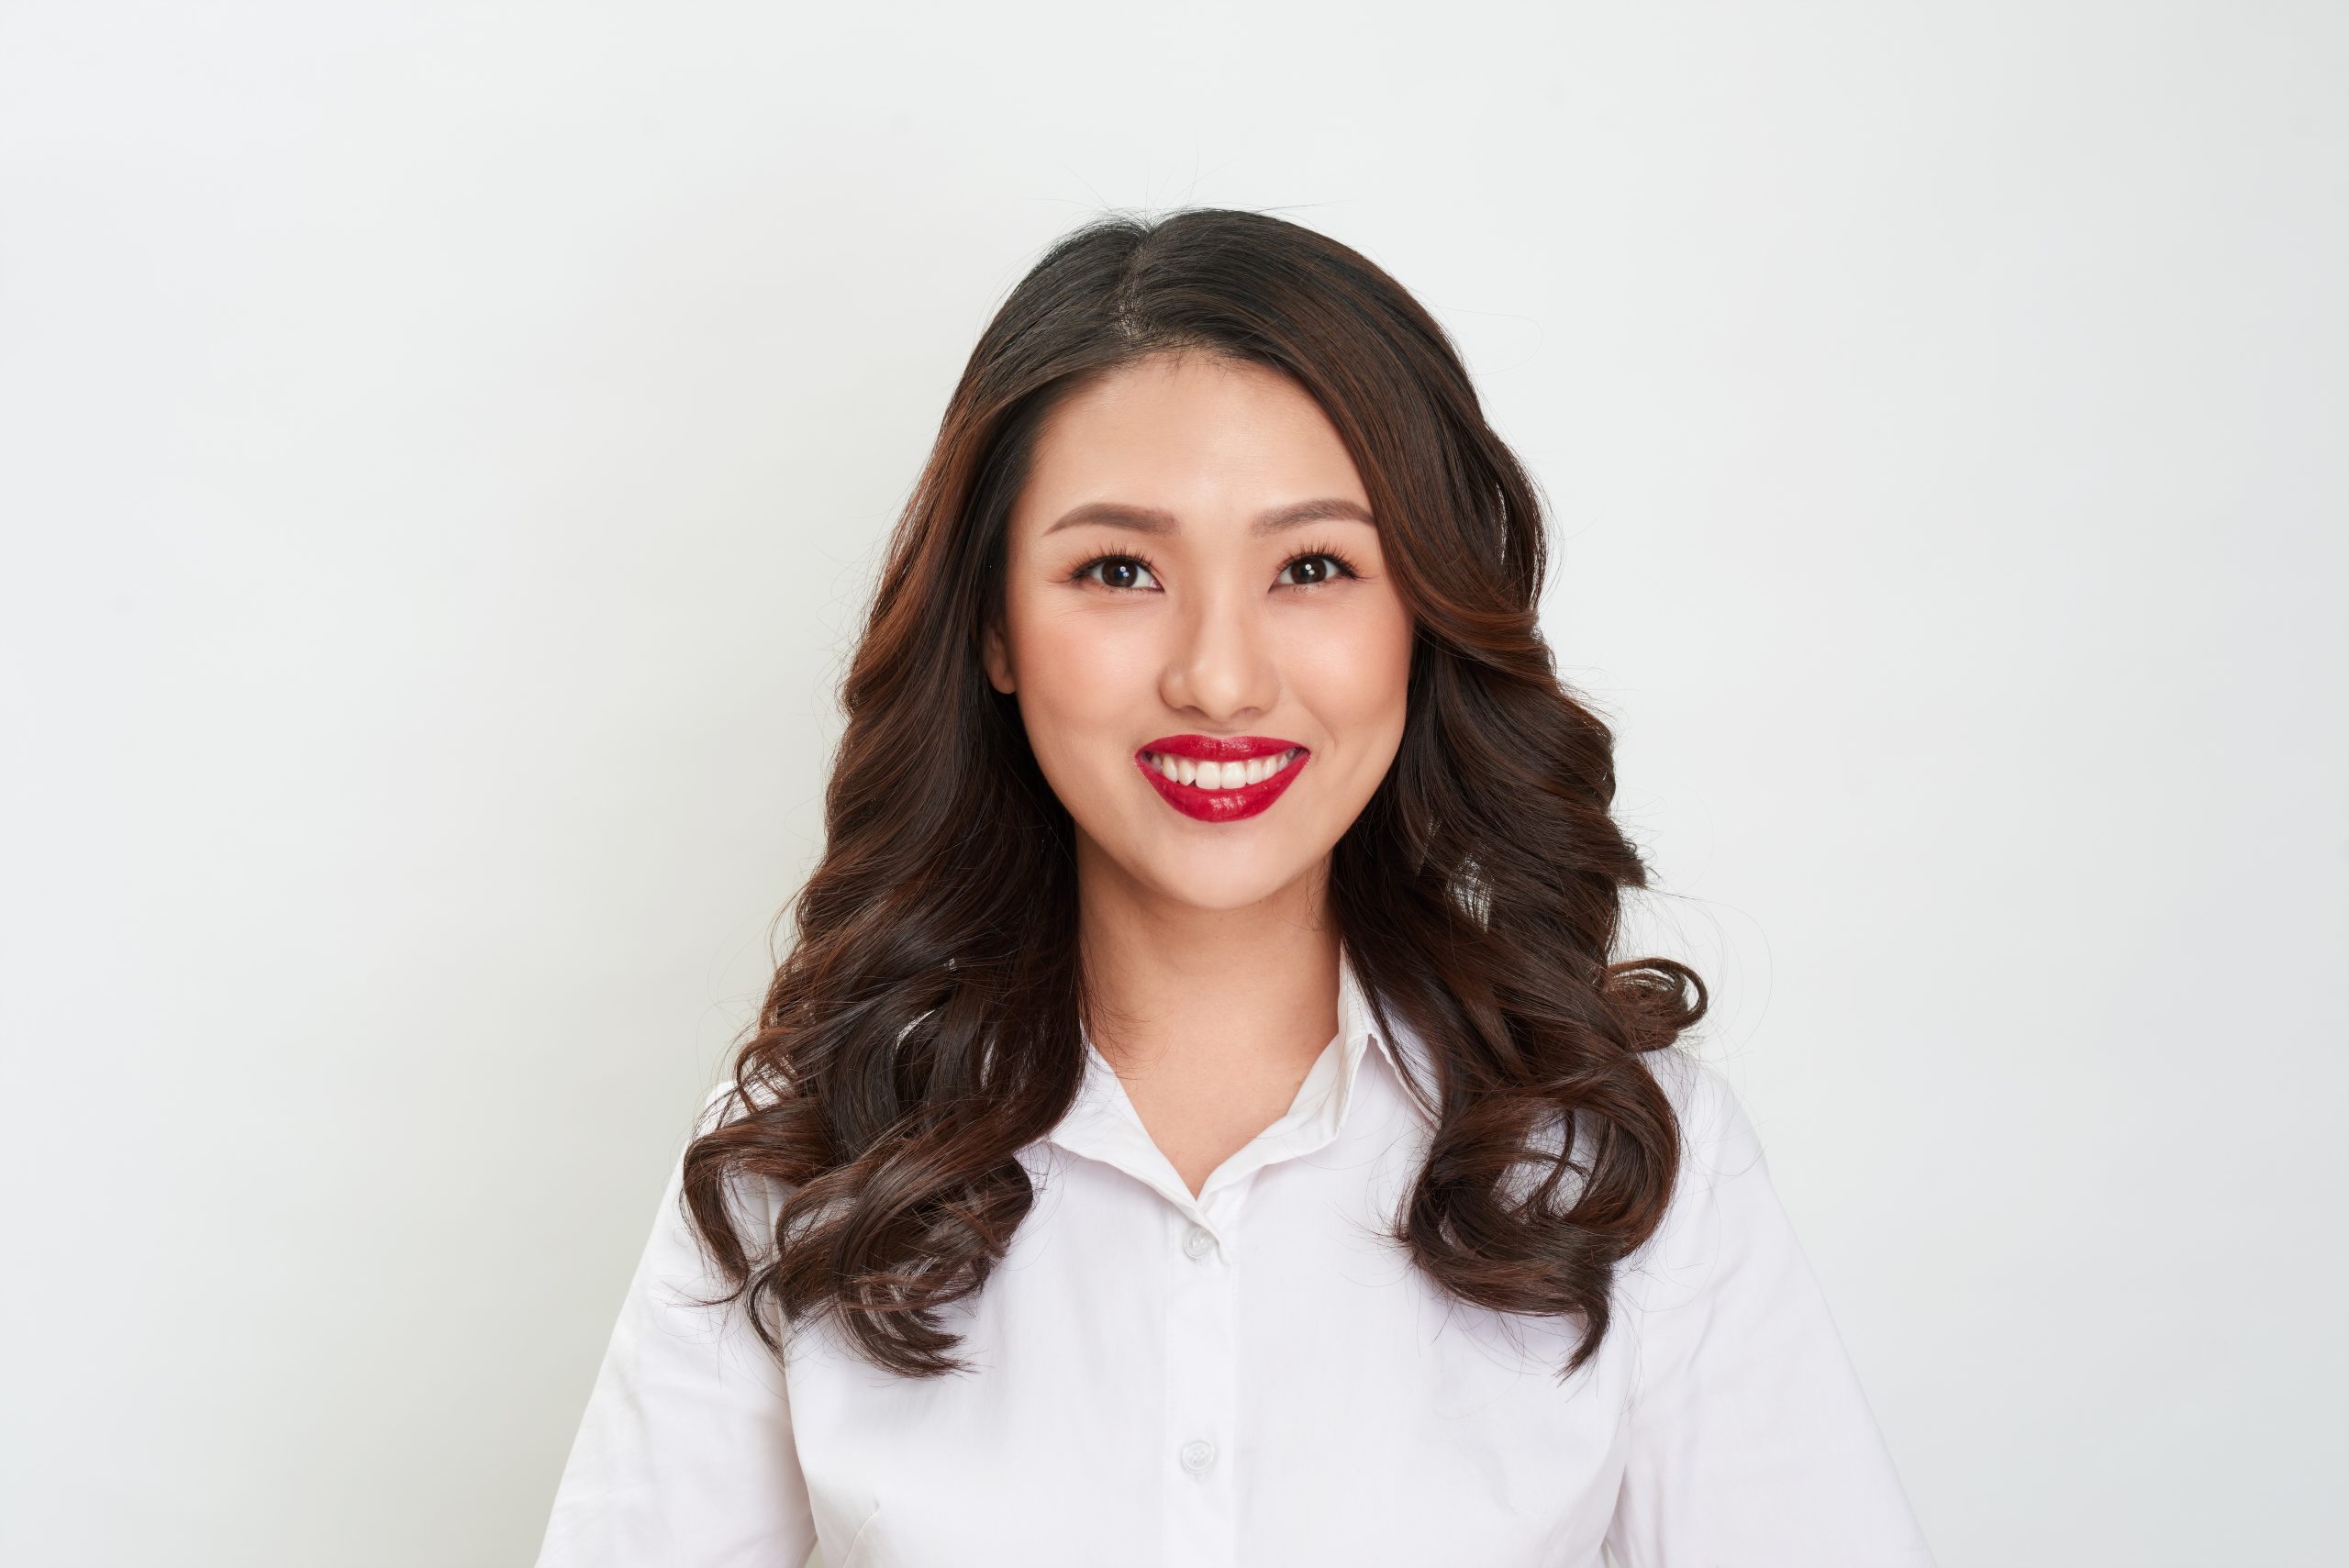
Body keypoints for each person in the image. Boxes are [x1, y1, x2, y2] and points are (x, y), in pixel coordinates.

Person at [532, 208, 1935, 1568]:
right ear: (995, 630)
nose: (1219, 676)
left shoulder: (1626, 1160)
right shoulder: (804, 1164)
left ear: (1421, 619)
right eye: (1120, 569)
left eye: (1314, 566)